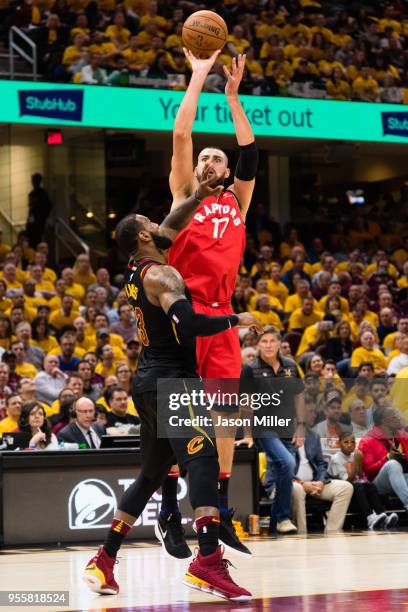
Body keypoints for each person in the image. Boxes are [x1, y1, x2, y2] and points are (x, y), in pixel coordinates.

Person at [83, 172, 259, 601]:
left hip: (147, 381)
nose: (162, 224)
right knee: (200, 463)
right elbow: (194, 324)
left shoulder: (135, 268)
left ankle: (104, 560)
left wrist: (199, 195)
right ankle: (208, 561)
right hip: (172, 382)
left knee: (151, 473)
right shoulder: (163, 275)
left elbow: (172, 222)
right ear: (146, 234)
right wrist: (238, 321)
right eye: (151, 222)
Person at [161, 48, 258, 558]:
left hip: (220, 317)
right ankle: (167, 512)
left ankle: (218, 511)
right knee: (181, 419)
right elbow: (181, 135)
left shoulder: (237, 201)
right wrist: (198, 77)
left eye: (215, 158)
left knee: (224, 415)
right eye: (203, 158)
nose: (207, 161)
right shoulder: (183, 195)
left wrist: (233, 96)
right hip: (180, 314)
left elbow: (251, 152)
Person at [237, 327, 306, 535]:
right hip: (263, 426)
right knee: (287, 462)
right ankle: (284, 517)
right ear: (258, 345)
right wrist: (248, 434)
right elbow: (246, 403)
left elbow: (299, 397)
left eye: (271, 341)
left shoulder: (291, 366)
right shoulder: (250, 368)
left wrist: (301, 426)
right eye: (264, 341)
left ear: (279, 344)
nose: (268, 345)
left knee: (281, 470)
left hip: (286, 427)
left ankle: (276, 523)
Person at [328, 432, 398, 529]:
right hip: (343, 490)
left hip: (356, 488)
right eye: (346, 442)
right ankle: (370, 518)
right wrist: (356, 462)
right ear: (339, 443)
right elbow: (347, 481)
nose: (349, 445)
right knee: (359, 486)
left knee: (370, 486)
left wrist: (360, 462)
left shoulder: (355, 455)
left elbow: (360, 476)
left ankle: (382, 516)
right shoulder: (336, 459)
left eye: (352, 442)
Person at [292, 427, 353, 534]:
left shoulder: (313, 436)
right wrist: (302, 483)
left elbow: (321, 464)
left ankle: (332, 532)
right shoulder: (282, 436)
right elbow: (281, 467)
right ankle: (301, 533)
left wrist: (320, 482)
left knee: (346, 487)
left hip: (314, 483)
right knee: (298, 489)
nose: (313, 414)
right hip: (294, 483)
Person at [359, 407, 408, 513]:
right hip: (377, 484)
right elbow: (369, 472)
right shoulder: (367, 441)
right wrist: (388, 457)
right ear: (385, 421)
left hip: (400, 479)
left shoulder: (397, 438)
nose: (398, 418)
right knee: (392, 464)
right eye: (394, 416)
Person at [26, 173, 52, 248]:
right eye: (33, 180)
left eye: (35, 180)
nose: (33, 182)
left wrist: (43, 217)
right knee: (31, 239)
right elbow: (31, 209)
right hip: (32, 221)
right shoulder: (31, 194)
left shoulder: (43, 193)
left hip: (40, 221)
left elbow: (48, 206)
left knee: (38, 240)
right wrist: (29, 220)